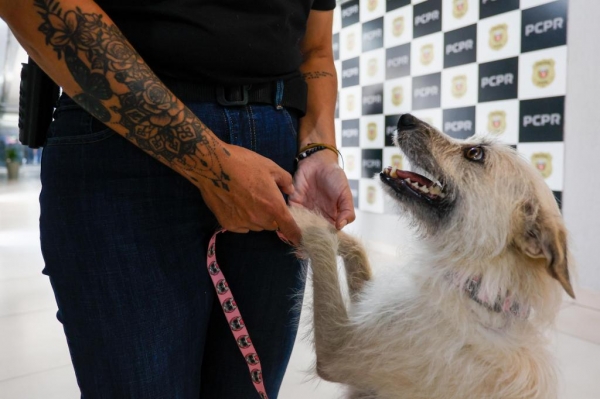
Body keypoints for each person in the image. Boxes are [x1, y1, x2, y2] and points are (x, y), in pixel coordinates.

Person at [0, 0, 355, 398]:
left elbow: (316, 50)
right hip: (120, 136)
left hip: (275, 157)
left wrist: (319, 147)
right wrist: (209, 165)